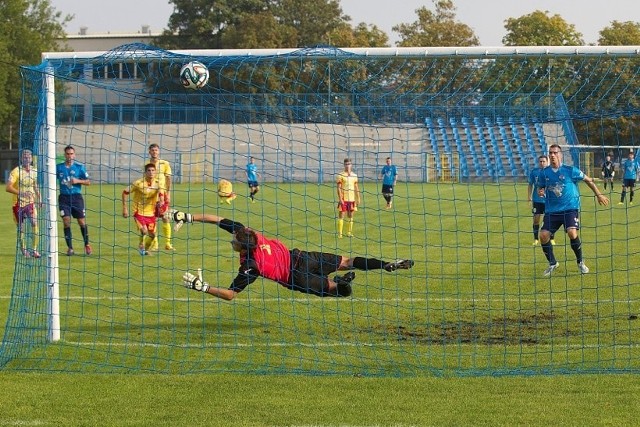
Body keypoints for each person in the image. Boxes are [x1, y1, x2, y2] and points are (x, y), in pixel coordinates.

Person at [168, 210, 414, 300]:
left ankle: (338, 284)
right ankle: (385, 265)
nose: (231, 239)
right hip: (302, 257)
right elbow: (218, 219)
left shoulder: (250, 266)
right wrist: (188, 217)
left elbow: (231, 295)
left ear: (242, 247)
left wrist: (203, 287)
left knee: (341, 292)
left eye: (233, 240)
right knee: (348, 261)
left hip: (297, 277)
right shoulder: (252, 234)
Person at [537, 144, 609, 277]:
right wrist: (540, 191)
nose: (552, 155)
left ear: (560, 154)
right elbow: (540, 188)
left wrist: (598, 194)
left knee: (571, 232)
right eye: (550, 153)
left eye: (555, 153)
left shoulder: (570, 170)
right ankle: (553, 263)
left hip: (570, 208)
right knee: (543, 236)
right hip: (552, 210)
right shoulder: (544, 173)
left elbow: (588, 180)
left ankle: (580, 262)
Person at [122, 163, 166, 256]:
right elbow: (125, 192)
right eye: (149, 171)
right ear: (145, 172)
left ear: (155, 172)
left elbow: (161, 195)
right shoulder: (138, 183)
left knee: (153, 235)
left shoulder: (158, 183)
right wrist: (125, 208)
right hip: (138, 212)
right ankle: (141, 245)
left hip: (151, 213)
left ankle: (145, 250)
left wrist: (161, 202)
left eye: (153, 171)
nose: (151, 172)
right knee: (144, 231)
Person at [56, 145, 91, 256]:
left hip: (76, 197)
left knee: (81, 222)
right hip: (64, 198)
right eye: (67, 154)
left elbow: (88, 182)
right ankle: (70, 248)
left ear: (74, 155)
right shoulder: (58, 167)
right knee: (66, 221)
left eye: (71, 154)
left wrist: (77, 180)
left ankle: (87, 244)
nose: (70, 156)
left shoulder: (79, 167)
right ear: (64, 155)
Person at [6, 149, 41, 258]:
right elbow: (8, 187)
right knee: (21, 228)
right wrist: (21, 193)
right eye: (25, 157)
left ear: (31, 159)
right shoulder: (16, 171)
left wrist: (39, 198)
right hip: (17, 204)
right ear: (22, 158)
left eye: (29, 157)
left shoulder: (34, 171)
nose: (27, 159)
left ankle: (35, 250)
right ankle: (24, 250)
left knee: (34, 223)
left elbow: (35, 185)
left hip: (30, 203)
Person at [147, 143, 174, 250]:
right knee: (152, 220)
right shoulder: (146, 164)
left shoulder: (165, 163)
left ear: (159, 151)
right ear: (149, 151)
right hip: (150, 196)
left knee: (165, 218)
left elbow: (168, 180)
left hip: (162, 195)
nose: (154, 152)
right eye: (152, 150)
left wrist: (169, 194)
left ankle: (167, 243)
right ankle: (155, 243)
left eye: (156, 150)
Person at [527, 155, 555, 246]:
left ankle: (551, 238)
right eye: (540, 161)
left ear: (547, 162)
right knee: (536, 219)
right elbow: (530, 184)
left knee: (550, 219)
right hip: (537, 200)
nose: (542, 163)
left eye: (544, 161)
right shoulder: (534, 172)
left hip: (548, 200)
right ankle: (535, 239)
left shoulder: (551, 172)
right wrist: (529, 197)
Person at [336, 158, 360, 238]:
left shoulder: (354, 175)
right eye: (346, 164)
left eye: (349, 164)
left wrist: (358, 198)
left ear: (351, 165)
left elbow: (356, 187)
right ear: (344, 165)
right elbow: (338, 188)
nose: (348, 166)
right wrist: (340, 199)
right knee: (341, 216)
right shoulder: (341, 175)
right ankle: (340, 233)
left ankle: (349, 232)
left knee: (350, 216)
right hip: (344, 199)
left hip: (352, 199)